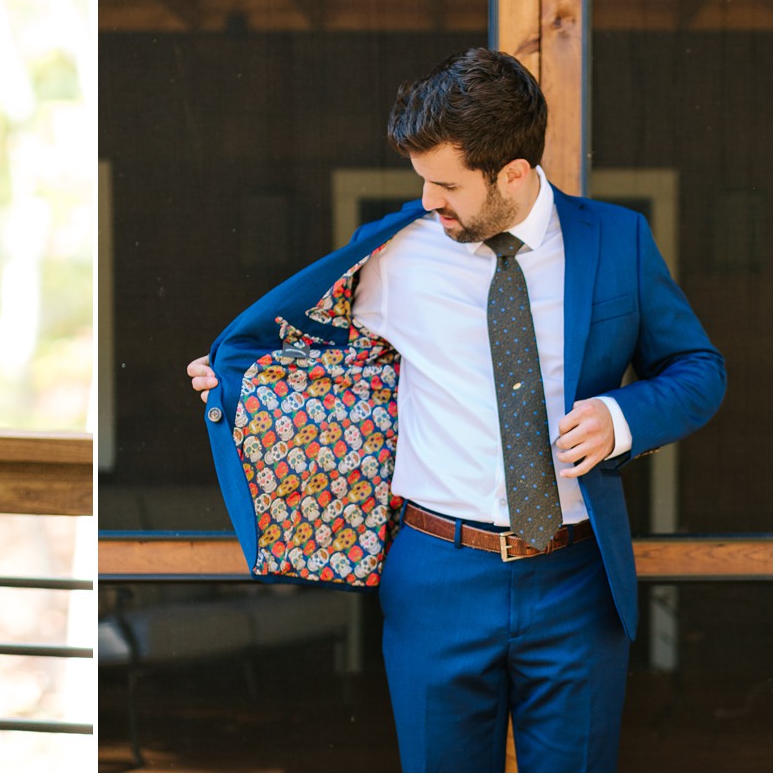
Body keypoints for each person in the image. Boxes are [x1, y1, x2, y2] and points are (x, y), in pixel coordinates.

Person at [186, 48, 724, 772]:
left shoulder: (617, 241)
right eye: (423, 183)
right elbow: (299, 353)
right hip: (436, 574)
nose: (429, 201)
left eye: (446, 185)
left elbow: (699, 370)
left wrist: (622, 417)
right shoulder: (394, 252)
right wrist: (237, 382)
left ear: (513, 174)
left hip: (577, 580)